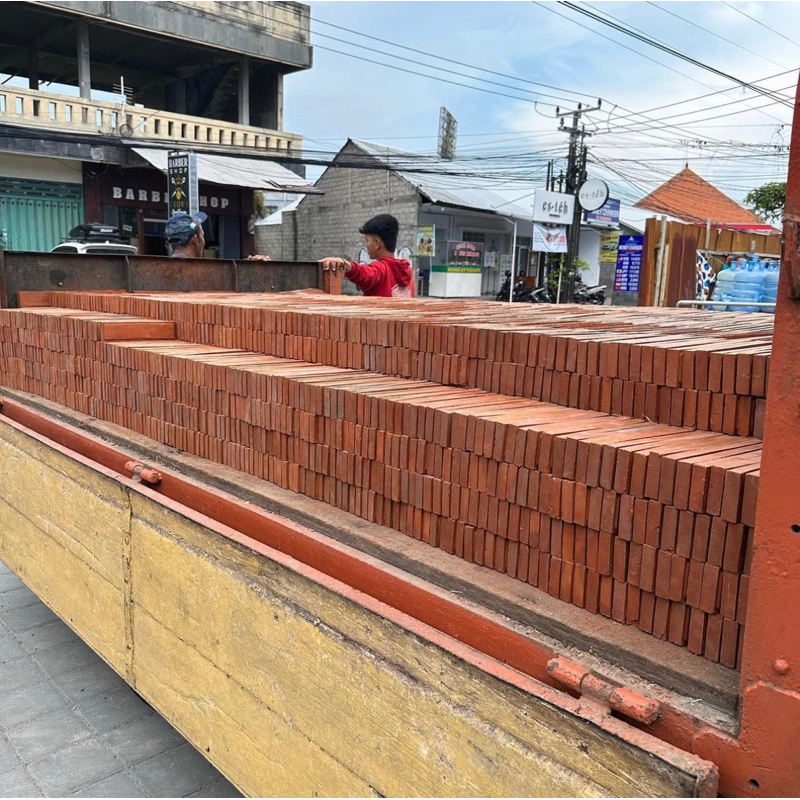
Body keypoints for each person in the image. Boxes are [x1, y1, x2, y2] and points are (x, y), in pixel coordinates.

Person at [320, 214, 414, 298]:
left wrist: (346, 265)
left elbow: (364, 273)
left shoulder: (381, 270)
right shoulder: (407, 274)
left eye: (367, 240)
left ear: (377, 243)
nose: (366, 245)